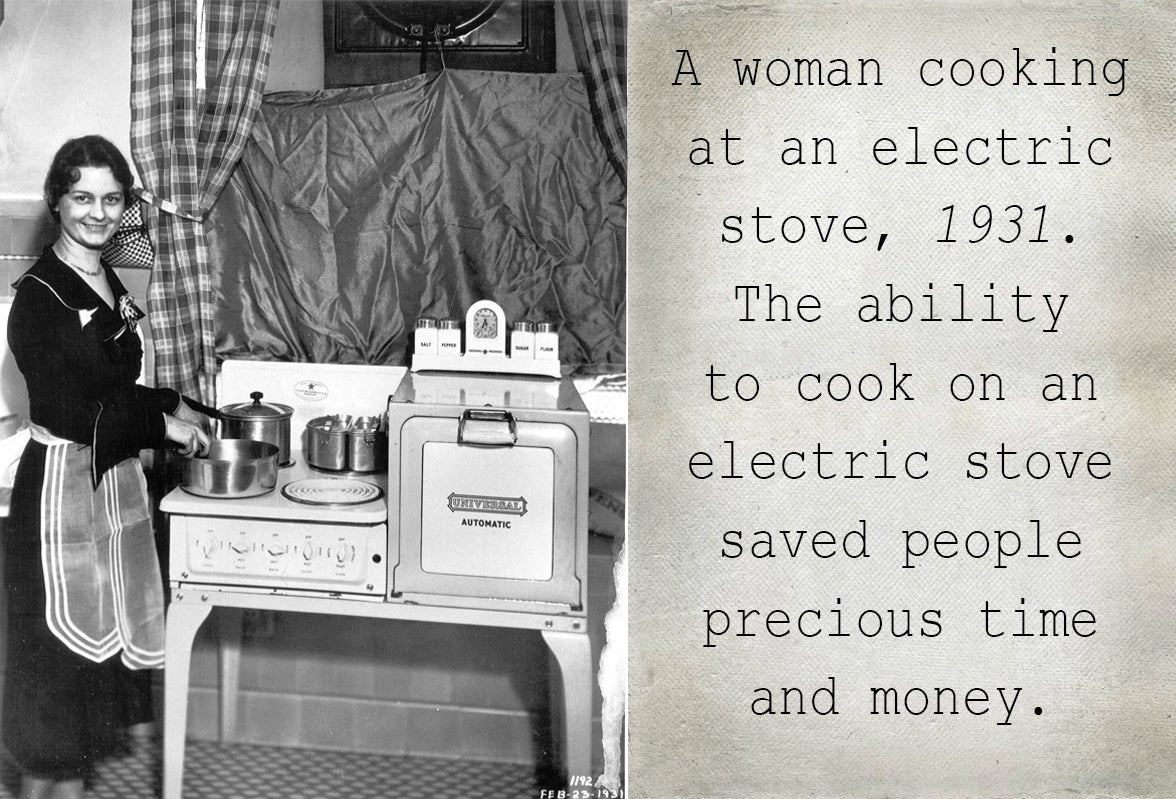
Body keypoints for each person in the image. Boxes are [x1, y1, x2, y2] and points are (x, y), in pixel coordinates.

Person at [3, 135, 210, 799]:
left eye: (111, 199)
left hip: (110, 488)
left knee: (91, 687)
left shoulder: (104, 276)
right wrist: (162, 424)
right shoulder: (38, 296)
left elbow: (113, 381)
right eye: (83, 197)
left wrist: (182, 402)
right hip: (61, 489)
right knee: (55, 694)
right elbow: (69, 409)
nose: (97, 212)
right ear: (57, 203)